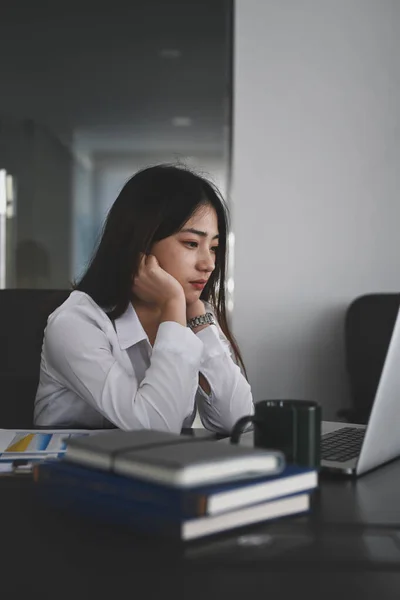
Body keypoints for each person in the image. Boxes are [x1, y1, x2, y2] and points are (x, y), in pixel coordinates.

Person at [34, 164, 254, 433]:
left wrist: (199, 321)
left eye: (214, 247)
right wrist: (173, 304)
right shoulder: (75, 323)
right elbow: (155, 427)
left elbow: (239, 420)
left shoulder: (194, 312)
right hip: (69, 472)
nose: (208, 264)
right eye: (192, 244)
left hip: (155, 468)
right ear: (142, 242)